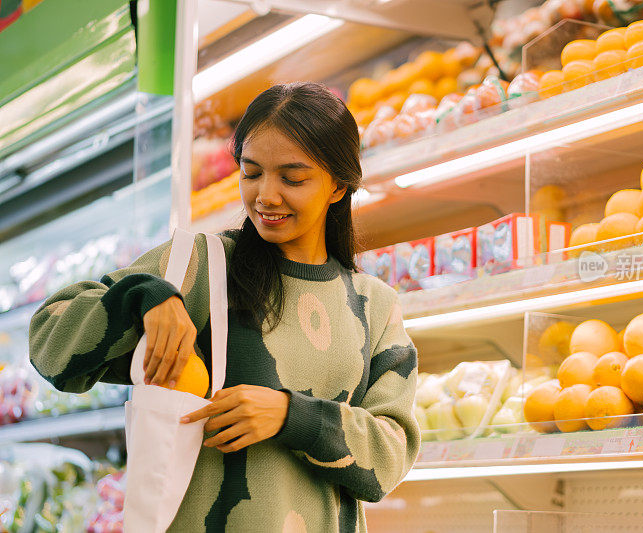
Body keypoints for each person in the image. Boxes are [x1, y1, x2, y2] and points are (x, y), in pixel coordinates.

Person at [29, 82, 420, 532]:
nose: (266, 196)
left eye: (292, 178)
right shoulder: (202, 266)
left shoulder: (374, 305)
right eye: (251, 173)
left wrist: (290, 415)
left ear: (339, 185)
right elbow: (48, 343)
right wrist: (143, 297)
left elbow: (392, 456)